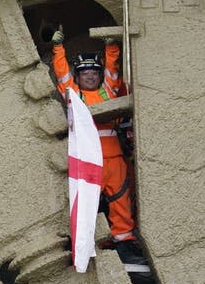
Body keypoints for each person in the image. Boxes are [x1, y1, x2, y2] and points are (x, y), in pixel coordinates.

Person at [50, 28, 145, 266]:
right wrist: (58, 49)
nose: (90, 76)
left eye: (94, 71)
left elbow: (113, 70)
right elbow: (61, 74)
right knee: (88, 206)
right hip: (87, 161)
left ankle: (124, 245)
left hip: (114, 159)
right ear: (78, 76)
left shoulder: (109, 91)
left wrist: (111, 47)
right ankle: (90, 248)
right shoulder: (73, 94)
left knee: (121, 202)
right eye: (85, 72)